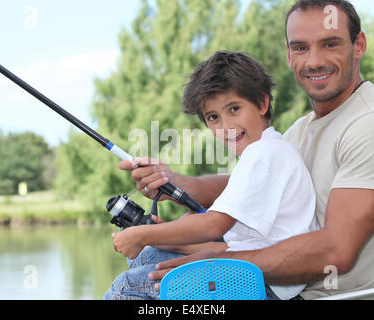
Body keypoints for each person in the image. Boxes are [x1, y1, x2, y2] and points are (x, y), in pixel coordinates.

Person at [122, 0, 374, 299]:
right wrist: (173, 183)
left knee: (129, 289)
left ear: (358, 45)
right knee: (145, 257)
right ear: (288, 54)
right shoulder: (302, 128)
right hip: (287, 289)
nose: (313, 61)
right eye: (300, 48)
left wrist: (219, 263)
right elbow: (249, 187)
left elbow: (336, 252)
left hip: (312, 294)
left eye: (329, 44)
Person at [105, 51, 318, 300]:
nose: (225, 126)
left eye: (234, 109)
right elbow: (234, 247)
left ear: (262, 104)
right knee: (148, 255)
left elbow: (212, 225)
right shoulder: (265, 152)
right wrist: (165, 239)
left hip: (265, 287)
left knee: (125, 288)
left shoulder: (264, 155)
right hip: (252, 274)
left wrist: (142, 234)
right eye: (214, 117)